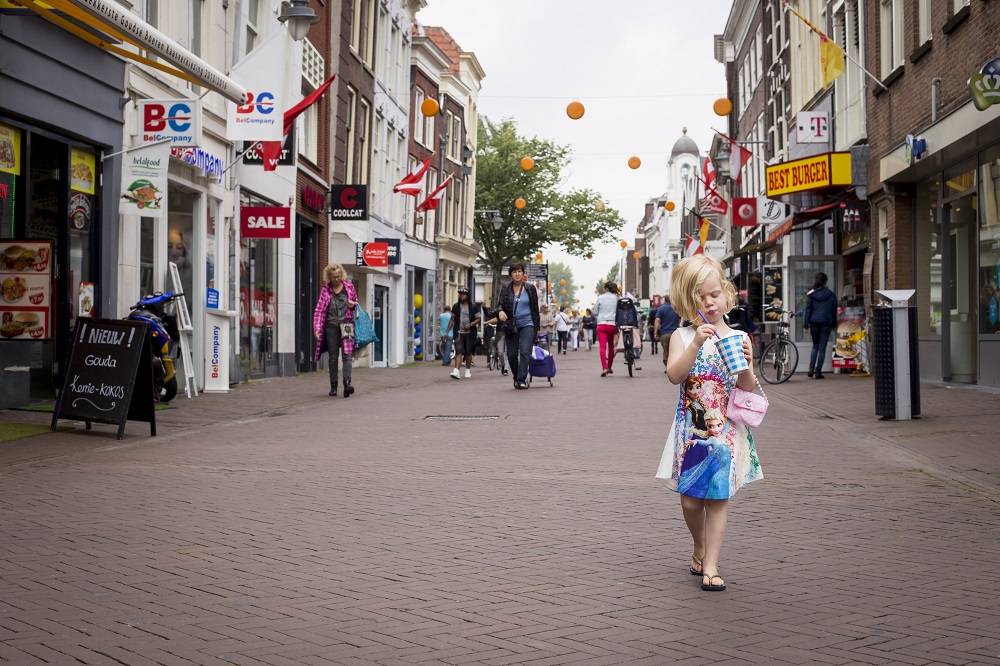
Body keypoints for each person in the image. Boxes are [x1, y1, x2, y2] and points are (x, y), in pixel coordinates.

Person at [657, 254, 763, 593]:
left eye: (714, 294)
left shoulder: (738, 336)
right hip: (692, 431)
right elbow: (674, 375)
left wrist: (747, 363)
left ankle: (712, 566)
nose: (709, 302)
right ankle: (699, 546)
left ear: (726, 294)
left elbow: (745, 386)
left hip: (725, 431)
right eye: (701, 296)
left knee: (717, 499)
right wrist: (697, 343)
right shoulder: (682, 337)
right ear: (688, 301)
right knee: (689, 500)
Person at [312, 263, 358, 398]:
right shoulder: (325, 291)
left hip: (347, 324)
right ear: (329, 277)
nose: (336, 279)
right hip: (331, 326)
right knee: (333, 357)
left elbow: (356, 304)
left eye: (338, 276)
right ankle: (333, 386)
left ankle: (347, 384)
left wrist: (352, 305)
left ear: (342, 275)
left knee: (347, 355)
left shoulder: (349, 287)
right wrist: (317, 329)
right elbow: (319, 310)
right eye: (333, 277)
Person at [496, 263, 541, 390]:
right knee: (511, 354)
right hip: (511, 325)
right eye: (514, 272)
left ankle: (521, 379)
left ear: (523, 273)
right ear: (511, 274)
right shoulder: (505, 288)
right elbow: (500, 304)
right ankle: (516, 376)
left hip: (528, 324)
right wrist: (500, 311)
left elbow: (535, 309)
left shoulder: (530, 288)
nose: (517, 274)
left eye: (519, 271)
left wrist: (537, 328)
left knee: (525, 351)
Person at [803, 272, 838, 379]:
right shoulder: (831, 295)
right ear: (825, 282)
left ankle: (810, 369)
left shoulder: (811, 295)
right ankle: (818, 372)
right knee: (822, 348)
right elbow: (833, 311)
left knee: (815, 346)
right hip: (826, 324)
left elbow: (807, 311)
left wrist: (805, 325)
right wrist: (833, 324)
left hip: (814, 323)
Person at [446, 287, 480, 379]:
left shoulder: (473, 306)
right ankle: (456, 371)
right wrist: (447, 332)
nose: (461, 295)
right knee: (459, 351)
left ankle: (467, 370)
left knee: (468, 352)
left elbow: (478, 318)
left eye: (463, 294)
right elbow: (452, 319)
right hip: (458, 332)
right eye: (460, 294)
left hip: (470, 333)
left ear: (468, 295)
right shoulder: (456, 306)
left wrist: (471, 324)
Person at [593, 281, 619, 376]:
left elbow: (595, 312)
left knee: (602, 347)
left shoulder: (600, 298)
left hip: (601, 325)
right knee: (611, 346)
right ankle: (609, 367)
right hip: (612, 325)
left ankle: (604, 368)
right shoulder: (616, 298)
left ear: (606, 289)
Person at [654, 295, 681, 374]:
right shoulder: (676, 309)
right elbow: (681, 319)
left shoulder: (661, 309)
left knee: (666, 351)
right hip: (674, 333)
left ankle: (668, 367)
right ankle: (675, 367)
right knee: (675, 351)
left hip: (664, 334)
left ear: (664, 300)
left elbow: (657, 320)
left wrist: (655, 332)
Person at [481, 307, 509, 376]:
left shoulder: (511, 309)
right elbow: (494, 317)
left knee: (508, 352)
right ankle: (503, 365)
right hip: (500, 333)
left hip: (509, 333)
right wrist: (487, 322)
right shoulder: (499, 310)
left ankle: (506, 369)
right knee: (500, 352)